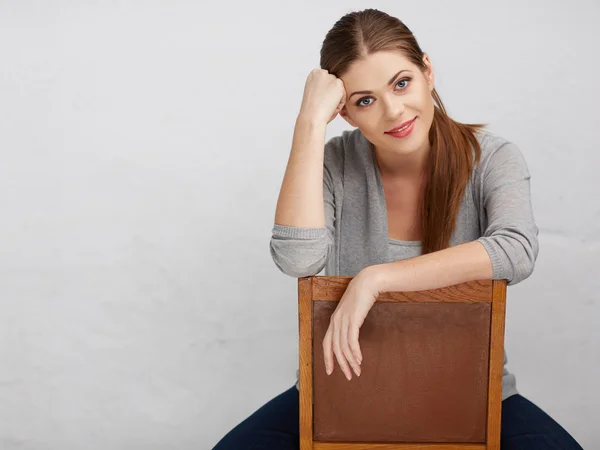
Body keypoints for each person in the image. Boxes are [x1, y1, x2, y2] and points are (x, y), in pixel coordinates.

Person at [212, 8, 583, 450]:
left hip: (472, 396)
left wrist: (376, 279)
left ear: (427, 71)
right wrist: (308, 123)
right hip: (340, 397)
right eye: (364, 100)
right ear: (345, 113)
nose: (393, 111)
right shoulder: (332, 163)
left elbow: (515, 250)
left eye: (402, 83)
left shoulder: (492, 158)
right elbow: (298, 259)